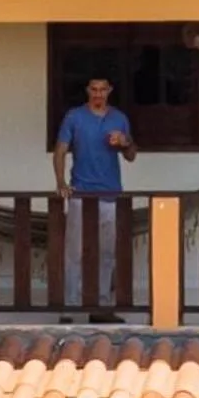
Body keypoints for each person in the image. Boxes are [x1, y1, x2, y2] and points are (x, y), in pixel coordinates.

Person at [53, 76, 137, 321]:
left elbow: (131, 155)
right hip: (81, 192)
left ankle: (101, 308)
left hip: (110, 193)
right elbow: (59, 151)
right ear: (87, 90)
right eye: (94, 89)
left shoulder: (119, 118)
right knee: (74, 252)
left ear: (110, 91)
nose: (98, 94)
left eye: (103, 89)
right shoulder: (74, 117)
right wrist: (61, 183)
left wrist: (125, 141)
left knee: (107, 253)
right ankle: (68, 307)